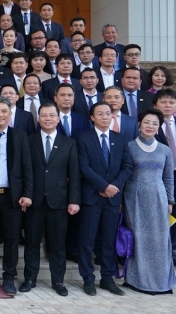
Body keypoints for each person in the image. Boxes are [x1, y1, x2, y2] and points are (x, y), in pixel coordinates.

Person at [20, 102, 80, 297]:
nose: (47, 118)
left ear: (58, 118)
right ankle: (30, 278)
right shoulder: (29, 140)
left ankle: (58, 281)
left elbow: (74, 174)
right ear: (38, 118)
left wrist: (74, 200)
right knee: (31, 242)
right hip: (34, 200)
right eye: (43, 115)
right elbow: (24, 171)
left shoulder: (68, 142)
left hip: (59, 201)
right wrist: (26, 194)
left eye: (51, 115)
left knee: (57, 244)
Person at [0, 96, 33, 296]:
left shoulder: (19, 136)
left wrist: (27, 194)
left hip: (12, 196)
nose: (0, 115)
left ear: (10, 114)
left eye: (4, 111)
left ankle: (9, 277)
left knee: (11, 239)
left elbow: (27, 166)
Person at [76, 102, 132, 296]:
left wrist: (113, 187)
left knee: (109, 240)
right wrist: (103, 186)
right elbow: (83, 167)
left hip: (112, 199)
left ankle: (107, 278)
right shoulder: (83, 138)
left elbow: (127, 166)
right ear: (92, 117)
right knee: (87, 240)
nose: (105, 117)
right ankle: (88, 278)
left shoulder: (121, 139)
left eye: (108, 114)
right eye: (100, 114)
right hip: (92, 197)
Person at [123, 108, 176, 294]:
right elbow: (125, 175)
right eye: (147, 122)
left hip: (159, 198)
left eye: (155, 123)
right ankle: (137, 281)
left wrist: (170, 200)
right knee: (139, 239)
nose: (150, 126)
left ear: (159, 127)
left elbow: (168, 177)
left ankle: (162, 282)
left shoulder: (165, 150)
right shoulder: (129, 147)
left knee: (160, 240)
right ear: (139, 124)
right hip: (134, 198)